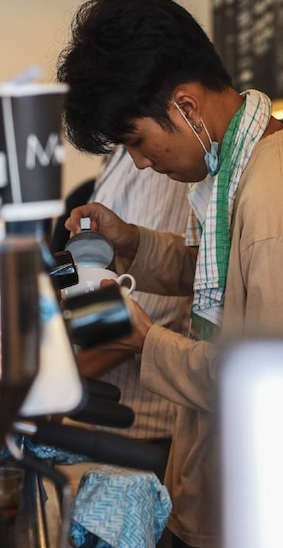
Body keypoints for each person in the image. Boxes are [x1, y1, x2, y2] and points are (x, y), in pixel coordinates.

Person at [57, 0, 283, 548]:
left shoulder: (279, 206)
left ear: (186, 106)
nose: (142, 161)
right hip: (215, 483)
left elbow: (282, 383)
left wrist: (145, 341)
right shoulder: (241, 168)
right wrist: (131, 244)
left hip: (261, 507)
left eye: (138, 140)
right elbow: (225, 278)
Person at [61, 145, 191, 480]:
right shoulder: (122, 153)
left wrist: (57, 380)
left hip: (138, 430)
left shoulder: (158, 163)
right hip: (101, 421)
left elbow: (146, 309)